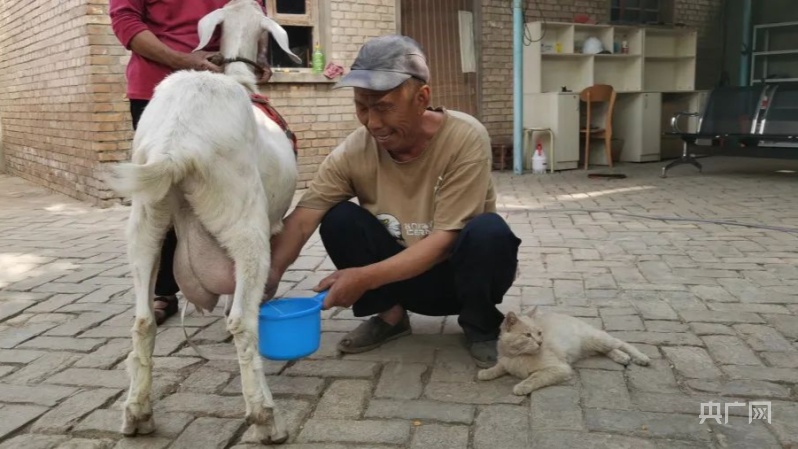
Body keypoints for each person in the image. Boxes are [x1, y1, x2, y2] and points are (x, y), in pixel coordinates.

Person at [264, 34, 521, 367]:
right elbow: (302, 220)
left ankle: (481, 324)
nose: (373, 123)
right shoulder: (355, 151)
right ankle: (390, 317)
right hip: (398, 278)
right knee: (338, 217)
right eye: (362, 107)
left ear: (421, 97)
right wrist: (268, 274)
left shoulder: (464, 137)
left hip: (459, 279)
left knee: (489, 231)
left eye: (383, 107)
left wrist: (362, 278)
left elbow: (445, 242)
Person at [109, 0, 272, 325]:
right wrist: (183, 60)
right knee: (162, 192)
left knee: (232, 190)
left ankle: (235, 286)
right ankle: (163, 291)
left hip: (224, 92)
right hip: (159, 91)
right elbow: (125, 20)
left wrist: (260, 56)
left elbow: (253, 11)